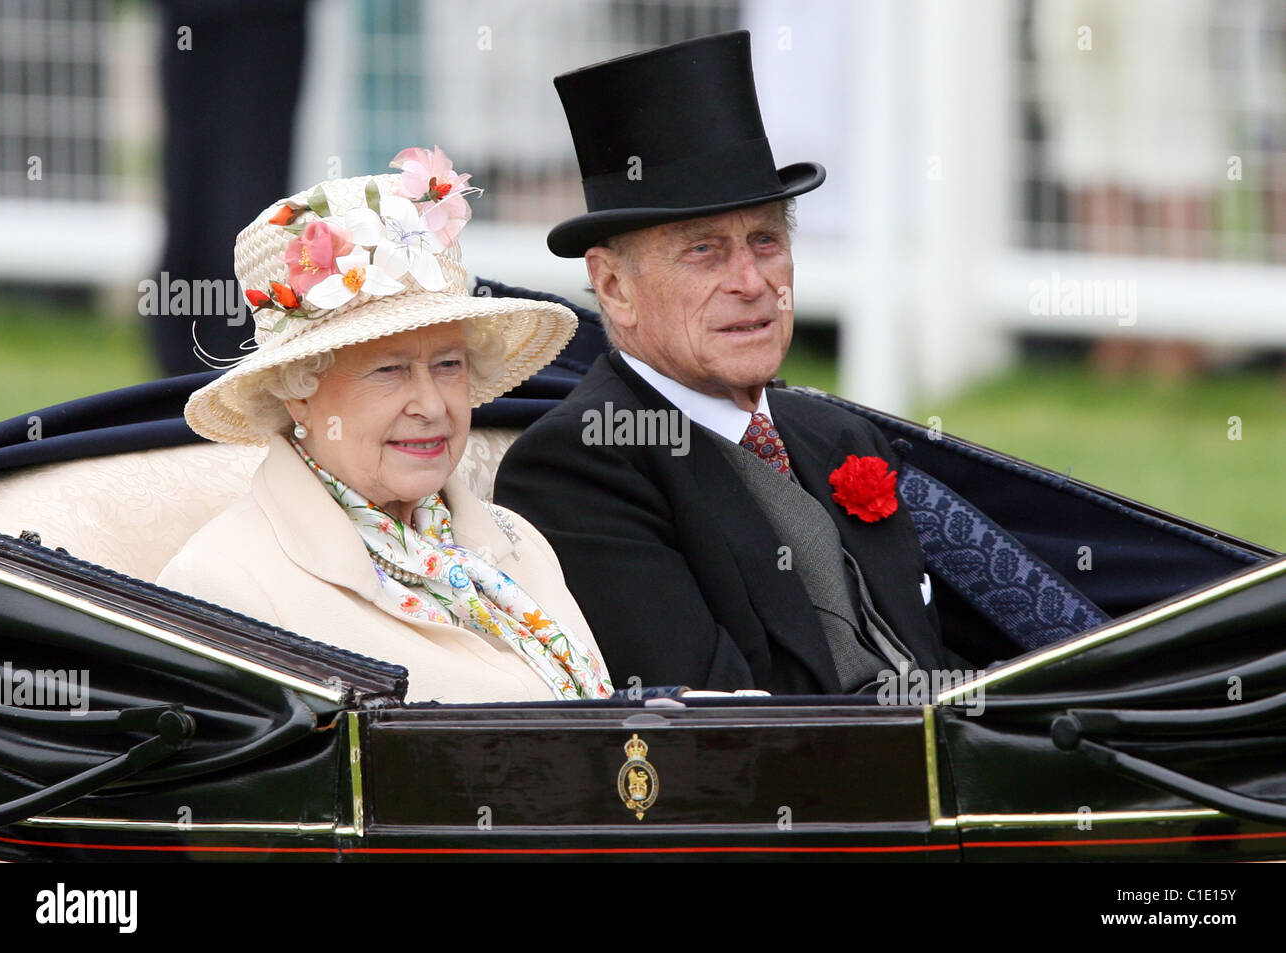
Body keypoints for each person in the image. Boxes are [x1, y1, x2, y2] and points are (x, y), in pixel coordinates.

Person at [494, 32, 954, 694]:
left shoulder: (839, 436)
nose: (751, 280)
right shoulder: (577, 467)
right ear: (615, 287)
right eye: (704, 251)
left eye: (766, 240)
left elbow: (930, 659)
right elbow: (710, 731)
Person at [158, 147, 612, 704]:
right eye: (388, 371)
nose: (431, 404)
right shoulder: (226, 587)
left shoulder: (518, 543)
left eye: (448, 365)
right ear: (297, 394)